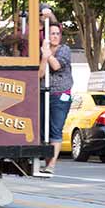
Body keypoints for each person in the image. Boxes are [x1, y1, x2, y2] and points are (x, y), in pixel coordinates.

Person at [37, 23, 73, 174]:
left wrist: (48, 54)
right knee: (43, 130)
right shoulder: (41, 51)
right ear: (46, 35)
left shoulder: (64, 49)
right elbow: (39, 74)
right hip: (44, 93)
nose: (55, 36)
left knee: (55, 129)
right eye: (52, 33)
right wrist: (44, 57)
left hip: (60, 95)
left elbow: (57, 66)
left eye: (58, 34)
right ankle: (47, 163)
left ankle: (52, 165)